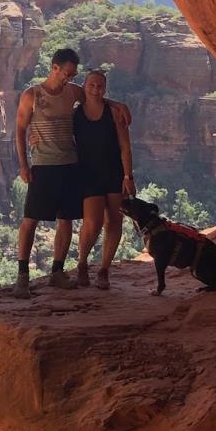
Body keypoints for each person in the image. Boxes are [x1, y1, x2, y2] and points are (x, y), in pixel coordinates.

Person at [13, 47, 84, 297]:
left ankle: (57, 272)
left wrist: (117, 106)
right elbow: (20, 130)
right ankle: (22, 276)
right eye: (67, 73)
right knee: (30, 219)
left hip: (70, 164)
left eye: (73, 74)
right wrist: (24, 165)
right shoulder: (31, 95)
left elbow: (95, 100)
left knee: (67, 219)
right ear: (54, 67)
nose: (70, 78)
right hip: (43, 165)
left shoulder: (74, 92)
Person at [72, 70, 134, 290]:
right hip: (87, 173)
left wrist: (128, 176)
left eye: (100, 86)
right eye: (92, 85)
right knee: (93, 222)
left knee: (115, 221)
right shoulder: (76, 114)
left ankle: (104, 270)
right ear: (84, 86)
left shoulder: (114, 113)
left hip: (114, 172)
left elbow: (125, 146)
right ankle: (81, 263)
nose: (96, 90)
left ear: (104, 89)